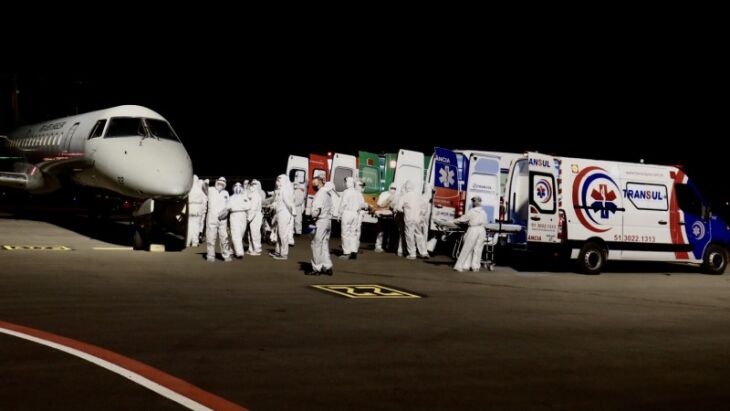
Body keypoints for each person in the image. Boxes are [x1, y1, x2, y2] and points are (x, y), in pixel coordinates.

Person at [452, 196, 487, 272]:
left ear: (479, 202)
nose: (473, 202)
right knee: (478, 248)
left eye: (474, 201)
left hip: (474, 229)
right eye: (473, 201)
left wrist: (452, 221)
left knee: (467, 247)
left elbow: (462, 219)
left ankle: (460, 265)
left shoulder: (472, 211)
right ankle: (475, 266)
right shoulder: (483, 212)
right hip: (482, 230)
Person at [396, 180, 429, 259]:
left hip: (409, 218)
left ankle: (412, 254)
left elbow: (398, 208)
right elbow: (424, 207)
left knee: (409, 235)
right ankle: (423, 252)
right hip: (418, 218)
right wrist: (421, 214)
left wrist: (405, 210)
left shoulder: (404, 196)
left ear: (406, 188)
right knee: (419, 234)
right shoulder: (418, 196)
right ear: (413, 187)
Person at [310, 178, 333, 275]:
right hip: (328, 221)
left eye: (314, 183)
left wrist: (313, 217)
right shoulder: (328, 194)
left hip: (321, 221)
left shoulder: (320, 194)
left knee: (316, 244)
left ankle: (317, 268)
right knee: (324, 245)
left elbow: (317, 209)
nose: (313, 185)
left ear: (319, 183)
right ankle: (327, 266)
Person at [206, 177, 232, 262]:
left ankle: (226, 255)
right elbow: (203, 188)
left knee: (224, 237)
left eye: (222, 183)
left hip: (223, 219)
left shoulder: (226, 193)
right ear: (216, 182)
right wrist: (205, 183)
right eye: (219, 183)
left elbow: (228, 204)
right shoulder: (210, 190)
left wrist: (226, 211)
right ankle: (210, 255)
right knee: (210, 237)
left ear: (224, 185)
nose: (220, 185)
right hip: (211, 217)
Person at [339, 177, 367, 259]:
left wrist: (339, 214)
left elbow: (343, 204)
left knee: (345, 233)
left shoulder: (346, 192)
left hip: (347, 213)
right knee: (353, 233)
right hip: (355, 214)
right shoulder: (358, 193)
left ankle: (346, 253)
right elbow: (362, 204)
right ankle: (354, 251)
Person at [270, 174, 293, 260]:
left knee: (283, 234)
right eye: (277, 180)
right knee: (279, 233)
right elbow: (279, 202)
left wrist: (291, 214)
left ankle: (284, 254)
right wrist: (274, 205)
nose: (277, 182)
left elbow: (288, 204)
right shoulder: (281, 190)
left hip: (284, 214)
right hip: (280, 213)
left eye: (279, 180)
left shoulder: (285, 190)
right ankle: (278, 251)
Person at [228, 182, 250, 259]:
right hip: (234, 215)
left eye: (239, 186)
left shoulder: (245, 197)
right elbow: (228, 206)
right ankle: (239, 252)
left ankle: (231, 249)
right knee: (235, 233)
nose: (238, 187)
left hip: (243, 215)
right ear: (233, 188)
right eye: (236, 186)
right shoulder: (230, 198)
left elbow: (248, 206)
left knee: (241, 234)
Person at [374, 183, 397, 252]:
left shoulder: (396, 195)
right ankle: (378, 246)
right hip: (382, 215)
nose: (393, 190)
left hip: (391, 216)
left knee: (390, 231)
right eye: (392, 188)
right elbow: (379, 204)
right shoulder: (384, 194)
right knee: (380, 231)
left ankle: (388, 246)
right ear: (389, 187)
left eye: (394, 188)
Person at [186, 175, 207, 247]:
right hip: (198, 208)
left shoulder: (189, 189)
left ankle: (187, 242)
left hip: (190, 207)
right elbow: (203, 200)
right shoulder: (199, 189)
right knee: (196, 226)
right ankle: (195, 242)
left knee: (189, 225)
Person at [247, 180, 264, 255]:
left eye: (254, 184)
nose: (252, 186)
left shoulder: (256, 195)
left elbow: (253, 209)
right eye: (251, 184)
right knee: (250, 233)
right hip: (251, 216)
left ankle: (257, 249)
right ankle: (251, 248)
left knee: (255, 233)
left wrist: (248, 219)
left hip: (255, 216)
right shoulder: (251, 194)